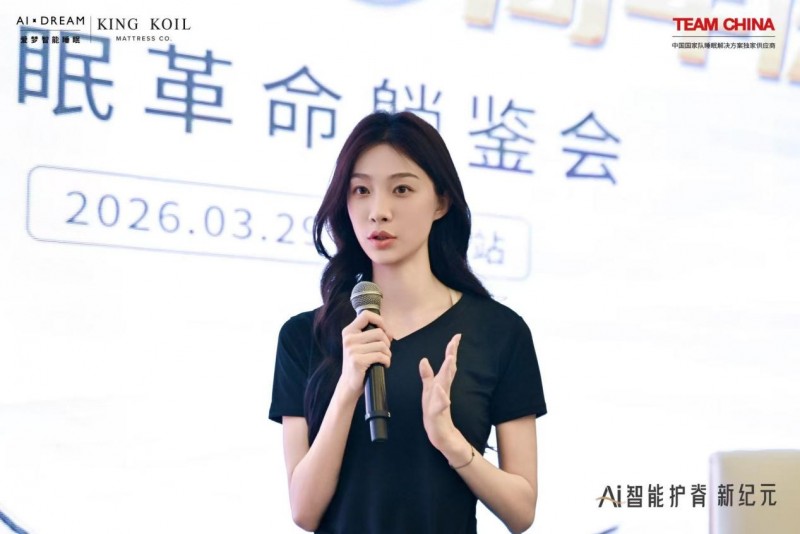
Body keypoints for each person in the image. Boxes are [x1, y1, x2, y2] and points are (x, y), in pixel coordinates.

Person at [269, 111, 547, 534]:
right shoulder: (304, 337)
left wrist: (451, 441)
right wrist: (347, 388)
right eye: (361, 190)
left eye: (401, 189)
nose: (378, 211)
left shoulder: (499, 332)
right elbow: (304, 511)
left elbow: (521, 511)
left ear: (440, 202)